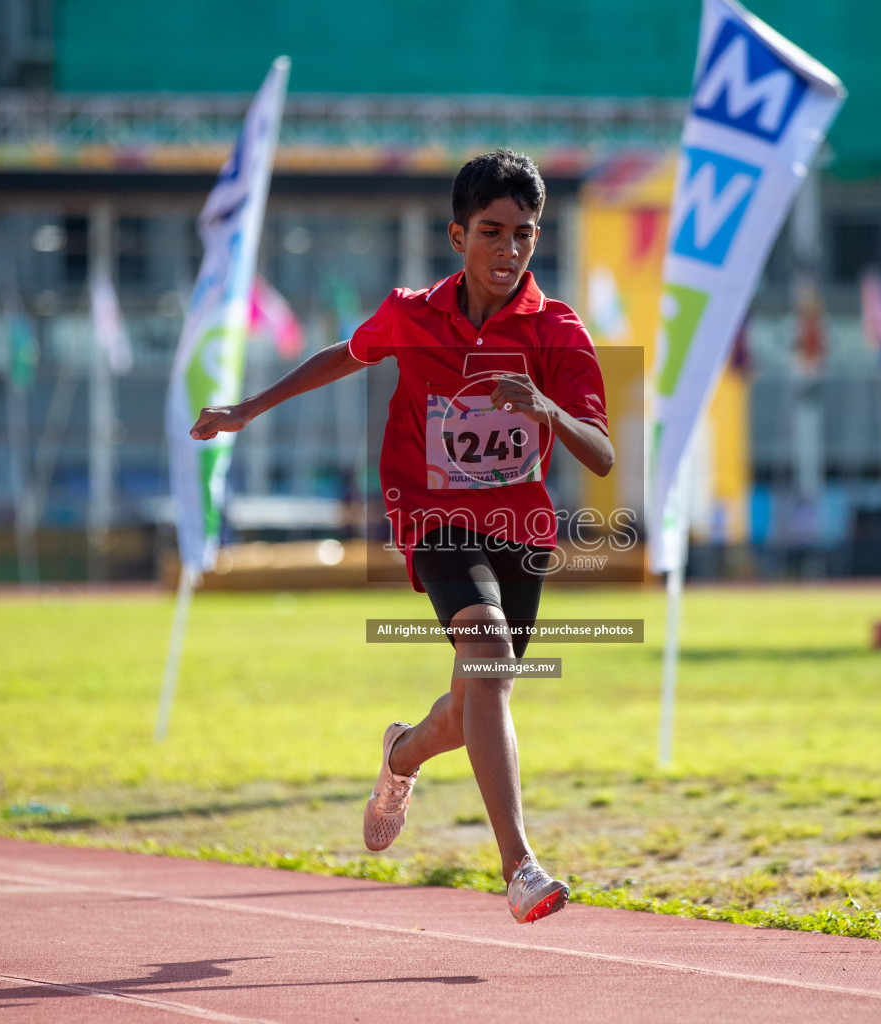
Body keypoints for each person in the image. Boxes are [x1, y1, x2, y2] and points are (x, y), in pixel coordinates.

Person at [190, 149, 613, 924]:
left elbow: (603, 451)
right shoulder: (413, 314)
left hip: (519, 528)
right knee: (484, 654)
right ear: (458, 235)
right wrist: (248, 409)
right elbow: (343, 356)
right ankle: (519, 866)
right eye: (492, 231)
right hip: (435, 516)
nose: (509, 250)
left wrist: (546, 411)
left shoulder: (557, 330)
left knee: (474, 700)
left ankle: (401, 755)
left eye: (525, 234)